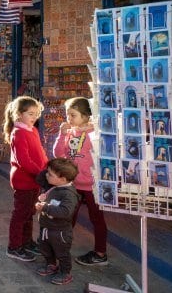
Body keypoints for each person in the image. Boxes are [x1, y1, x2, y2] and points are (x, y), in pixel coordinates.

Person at [54, 97, 109, 266]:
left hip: (92, 185)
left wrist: (95, 129)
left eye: (73, 115)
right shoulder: (70, 132)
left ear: (86, 116)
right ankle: (61, 247)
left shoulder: (95, 133)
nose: (69, 119)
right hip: (73, 184)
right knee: (67, 216)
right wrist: (61, 135)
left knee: (97, 219)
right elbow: (58, 154)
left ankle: (100, 253)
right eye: (67, 115)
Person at [3, 96, 48, 262]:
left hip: (35, 180)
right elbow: (24, 161)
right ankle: (14, 246)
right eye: (30, 113)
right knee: (20, 215)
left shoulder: (32, 130)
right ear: (19, 114)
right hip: (24, 180)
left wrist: (48, 167)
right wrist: (41, 174)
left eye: (36, 113)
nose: (34, 116)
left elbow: (40, 153)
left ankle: (27, 242)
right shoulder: (18, 133)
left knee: (29, 213)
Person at [34, 158, 80, 286]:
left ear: (63, 179)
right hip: (47, 228)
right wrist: (50, 168)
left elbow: (65, 212)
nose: (46, 175)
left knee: (62, 253)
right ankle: (51, 264)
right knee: (45, 248)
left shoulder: (69, 194)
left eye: (50, 174)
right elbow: (40, 178)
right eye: (47, 172)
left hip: (60, 232)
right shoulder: (54, 186)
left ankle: (65, 273)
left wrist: (45, 207)